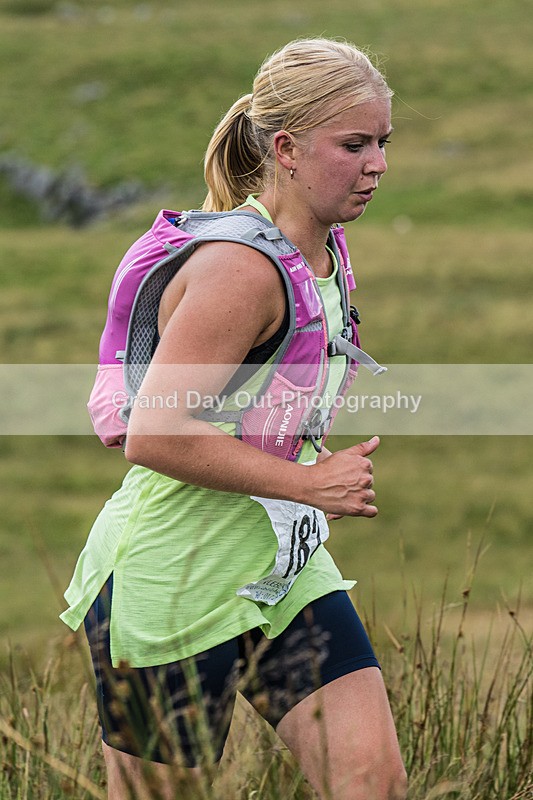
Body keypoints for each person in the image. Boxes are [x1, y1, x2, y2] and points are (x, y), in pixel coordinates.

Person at [61, 37, 407, 800]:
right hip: (173, 579)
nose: (377, 164)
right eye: (353, 145)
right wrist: (307, 483)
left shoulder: (324, 253)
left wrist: (300, 480)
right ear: (285, 149)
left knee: (372, 784)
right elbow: (154, 434)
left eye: (382, 142)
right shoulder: (238, 272)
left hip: (281, 571)